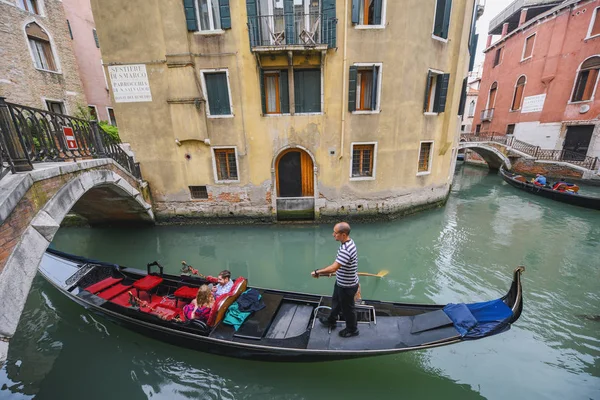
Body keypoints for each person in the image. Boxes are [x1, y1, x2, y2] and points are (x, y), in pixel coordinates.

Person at [311, 222, 360, 338]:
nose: (333, 234)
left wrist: (318, 272)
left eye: (335, 233)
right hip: (341, 282)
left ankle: (352, 329)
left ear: (343, 235)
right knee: (336, 302)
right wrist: (335, 272)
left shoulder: (346, 249)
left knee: (348, 309)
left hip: (347, 286)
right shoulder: (347, 243)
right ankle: (331, 320)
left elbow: (334, 267)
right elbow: (339, 266)